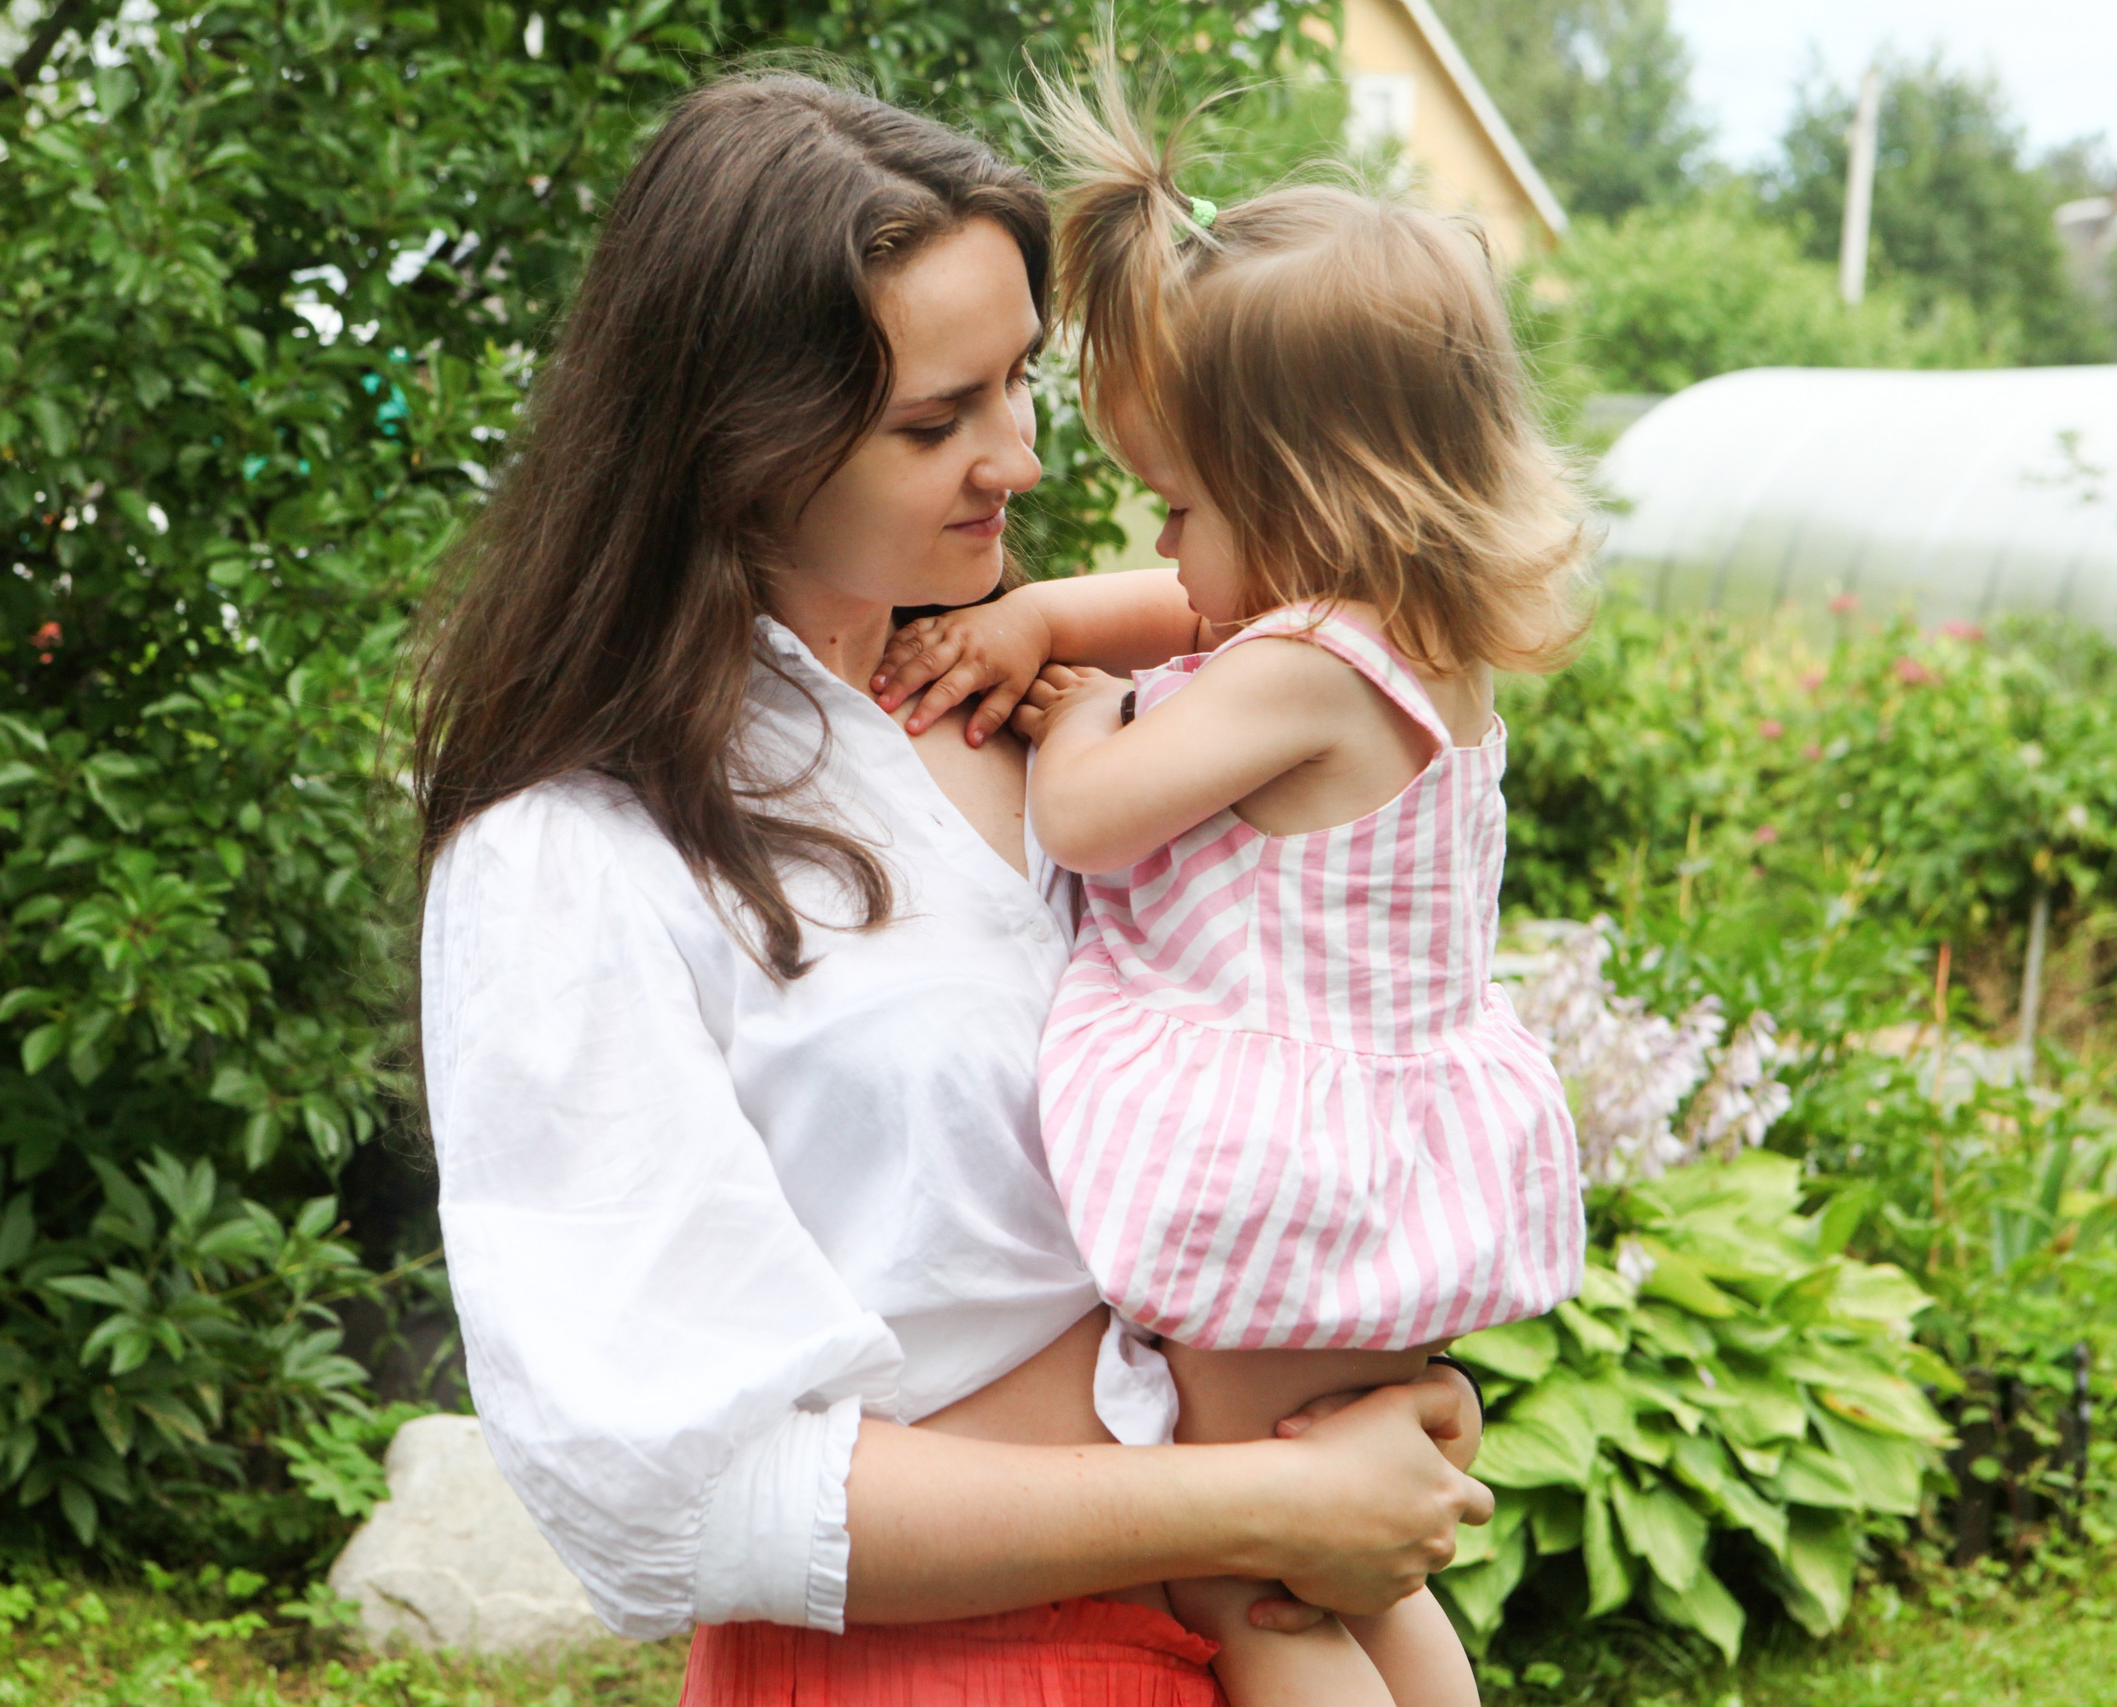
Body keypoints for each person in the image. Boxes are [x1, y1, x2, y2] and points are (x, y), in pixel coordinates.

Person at [406, 70, 1492, 1707]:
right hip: (952, 1669)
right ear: (738, 443)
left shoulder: (1075, 713)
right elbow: (683, 1494)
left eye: (1020, 384)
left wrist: (1358, 1391)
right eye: (938, 420)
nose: (1023, 460)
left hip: (1249, 1613)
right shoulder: (584, 851)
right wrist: (1267, 1495)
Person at [869, 62, 1591, 1707]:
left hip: (1291, 1180)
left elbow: (1102, 819)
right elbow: (1185, 609)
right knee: (1346, 1544)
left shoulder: (1302, 672)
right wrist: (1052, 614)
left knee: (1248, 1567)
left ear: (1307, 498)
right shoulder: (1396, 638)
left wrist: (1079, 704)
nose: (1163, 553)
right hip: (1376, 1177)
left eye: (1182, 507)